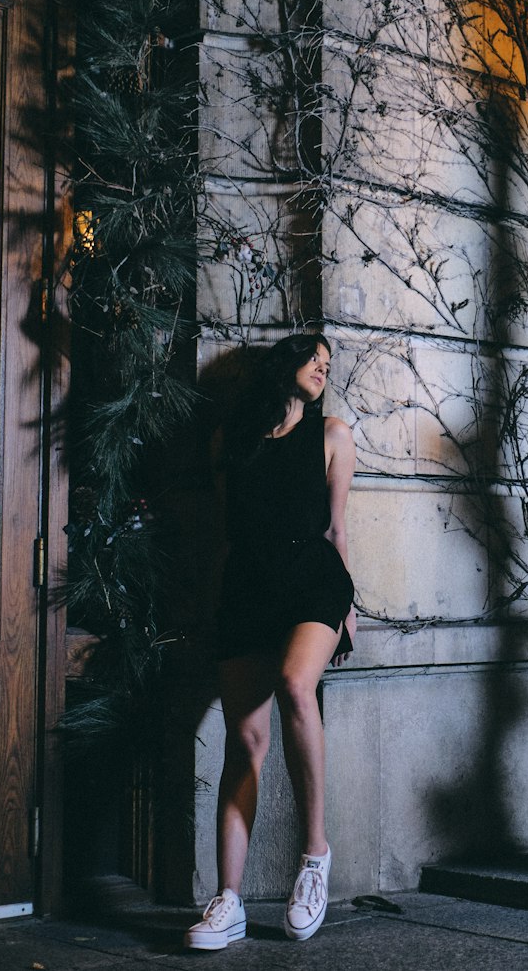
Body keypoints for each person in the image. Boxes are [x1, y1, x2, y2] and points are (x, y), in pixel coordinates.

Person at [185, 333, 357, 949]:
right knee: (245, 742)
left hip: (313, 583)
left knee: (294, 684)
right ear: (283, 363)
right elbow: (227, 534)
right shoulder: (228, 442)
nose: (323, 368)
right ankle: (228, 901)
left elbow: (336, 528)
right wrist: (214, 603)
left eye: (328, 364)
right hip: (248, 588)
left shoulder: (332, 434)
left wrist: (349, 606)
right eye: (314, 357)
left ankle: (314, 858)